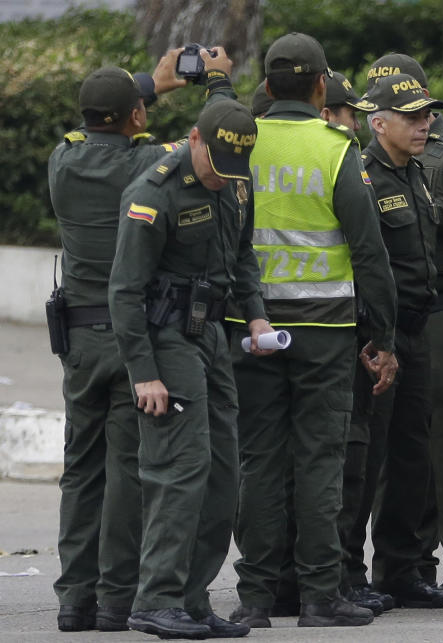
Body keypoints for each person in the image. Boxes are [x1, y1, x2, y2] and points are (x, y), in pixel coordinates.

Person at [46, 50, 235, 633]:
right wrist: (216, 82)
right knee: (131, 470)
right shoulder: (149, 163)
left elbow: (106, 120)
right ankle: (114, 599)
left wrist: (152, 84)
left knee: (81, 469)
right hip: (134, 335)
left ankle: (74, 600)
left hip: (77, 339)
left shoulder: (63, 160)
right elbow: (208, 144)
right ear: (134, 117)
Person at [227, 33, 398, 629]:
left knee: (259, 459)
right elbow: (369, 251)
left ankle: (256, 597)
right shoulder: (336, 148)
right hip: (325, 331)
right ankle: (320, 595)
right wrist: (383, 336)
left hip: (249, 326)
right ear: (322, 86)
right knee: (320, 461)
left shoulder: (241, 144)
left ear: (267, 86)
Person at [108, 97, 271, 640]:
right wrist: (143, 372)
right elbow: (124, 292)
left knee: (224, 471)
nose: (223, 180)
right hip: (165, 338)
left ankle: (192, 600)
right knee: (180, 466)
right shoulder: (153, 193)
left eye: (233, 171)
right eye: (215, 167)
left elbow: (242, 256)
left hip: (213, 336)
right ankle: (156, 598)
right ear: (195, 139)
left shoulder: (236, 182)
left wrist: (255, 318)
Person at [365, 51, 443, 600]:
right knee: (396, 447)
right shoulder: (367, 159)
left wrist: (432, 204)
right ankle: (406, 562)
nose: (416, 120)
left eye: (418, 107)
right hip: (398, 313)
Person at [337, 73, 443, 609]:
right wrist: (376, 337)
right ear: (377, 123)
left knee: (413, 455)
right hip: (377, 335)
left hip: (417, 330)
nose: (424, 125)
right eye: (412, 117)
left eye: (427, 115)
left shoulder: (417, 173)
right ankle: (347, 572)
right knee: (366, 458)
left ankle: (400, 568)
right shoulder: (363, 175)